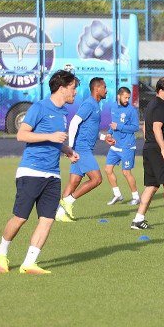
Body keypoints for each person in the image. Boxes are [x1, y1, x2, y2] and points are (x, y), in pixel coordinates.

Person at [0, 69, 80, 275]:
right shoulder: (39, 107)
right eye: (73, 88)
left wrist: (66, 150)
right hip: (31, 171)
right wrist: (51, 136)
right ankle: (1, 252)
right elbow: (22, 135)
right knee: (20, 218)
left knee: (47, 219)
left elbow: (55, 140)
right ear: (62, 88)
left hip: (53, 174)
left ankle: (29, 263)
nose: (75, 92)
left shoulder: (63, 113)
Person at [56, 77, 107, 221]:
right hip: (81, 149)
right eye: (104, 87)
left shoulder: (96, 105)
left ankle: (59, 214)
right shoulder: (89, 104)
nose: (106, 90)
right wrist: (71, 148)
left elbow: (89, 129)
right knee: (97, 179)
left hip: (84, 148)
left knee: (74, 182)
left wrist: (104, 138)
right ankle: (69, 201)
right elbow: (74, 123)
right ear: (97, 89)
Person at [131, 78, 164, 230]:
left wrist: (149, 142)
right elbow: (157, 128)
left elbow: (146, 127)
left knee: (151, 186)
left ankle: (138, 220)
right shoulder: (160, 106)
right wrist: (163, 149)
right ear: (161, 91)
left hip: (149, 148)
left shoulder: (151, 104)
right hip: (158, 150)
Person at [104, 86, 140, 206]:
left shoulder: (132, 110)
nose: (127, 100)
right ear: (119, 96)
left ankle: (136, 197)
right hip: (115, 145)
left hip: (127, 146)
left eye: (128, 98)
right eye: (125, 97)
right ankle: (117, 195)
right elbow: (113, 124)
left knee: (126, 172)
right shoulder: (113, 107)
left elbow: (135, 128)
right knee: (108, 169)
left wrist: (119, 127)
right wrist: (109, 133)